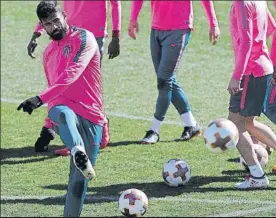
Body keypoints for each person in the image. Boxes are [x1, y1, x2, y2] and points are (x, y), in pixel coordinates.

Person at [18, 2, 104, 216]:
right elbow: (54, 91)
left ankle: (79, 157)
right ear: (42, 26)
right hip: (64, 113)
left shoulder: (85, 38)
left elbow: (72, 74)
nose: (54, 27)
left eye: (56, 20)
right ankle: (77, 151)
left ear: (65, 16)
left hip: (91, 116)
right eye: (48, 24)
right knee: (61, 112)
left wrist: (39, 99)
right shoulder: (48, 54)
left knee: (77, 185)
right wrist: (49, 127)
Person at [27, 0, 121, 155]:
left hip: (92, 36)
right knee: (63, 83)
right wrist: (37, 32)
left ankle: (97, 125)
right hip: (66, 35)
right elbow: (50, 5)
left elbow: (115, 3)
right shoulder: (55, 28)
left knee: (87, 85)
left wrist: (116, 35)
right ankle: (70, 138)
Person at [128, 0, 221, 143]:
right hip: (156, 28)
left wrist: (213, 23)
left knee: (164, 80)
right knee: (167, 79)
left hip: (179, 29)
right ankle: (191, 125)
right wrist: (133, 18)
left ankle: (154, 130)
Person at [228, 0, 276, 189]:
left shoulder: (242, 3)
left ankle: (257, 175)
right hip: (262, 68)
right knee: (249, 122)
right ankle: (257, 174)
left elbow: (247, 41)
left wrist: (237, 76)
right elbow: (271, 27)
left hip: (250, 71)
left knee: (235, 124)